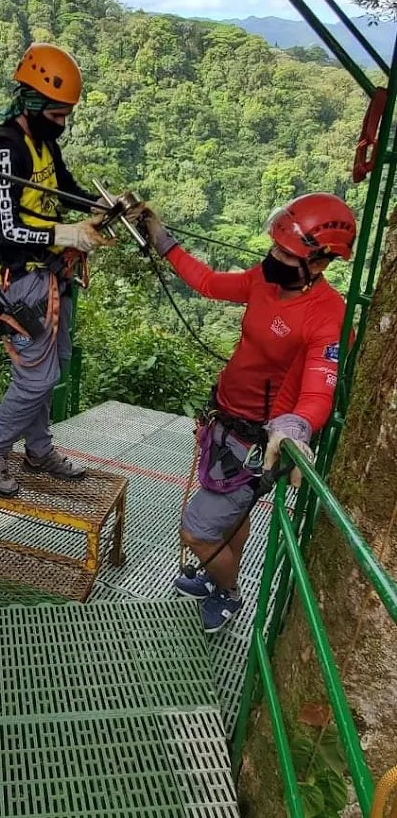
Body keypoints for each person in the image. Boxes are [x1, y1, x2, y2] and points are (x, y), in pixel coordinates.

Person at [141, 193, 356, 632]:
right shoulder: (265, 281)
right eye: (275, 247)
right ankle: (219, 579)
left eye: (287, 254)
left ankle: (228, 592)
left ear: (319, 263)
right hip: (225, 417)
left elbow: (319, 390)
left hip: (258, 441)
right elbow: (209, 282)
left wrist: (293, 428)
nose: (273, 258)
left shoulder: (326, 316)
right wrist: (162, 239)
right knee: (230, 518)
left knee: (196, 530)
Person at [0, 43, 114, 496]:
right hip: (20, 281)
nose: (62, 124)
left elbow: (63, 186)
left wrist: (96, 206)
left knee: (57, 365)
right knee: (38, 377)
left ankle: (38, 449)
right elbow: (7, 229)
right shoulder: (3, 150)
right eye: (56, 115)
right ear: (32, 105)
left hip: (52, 275)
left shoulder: (42, 143)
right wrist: (67, 234)